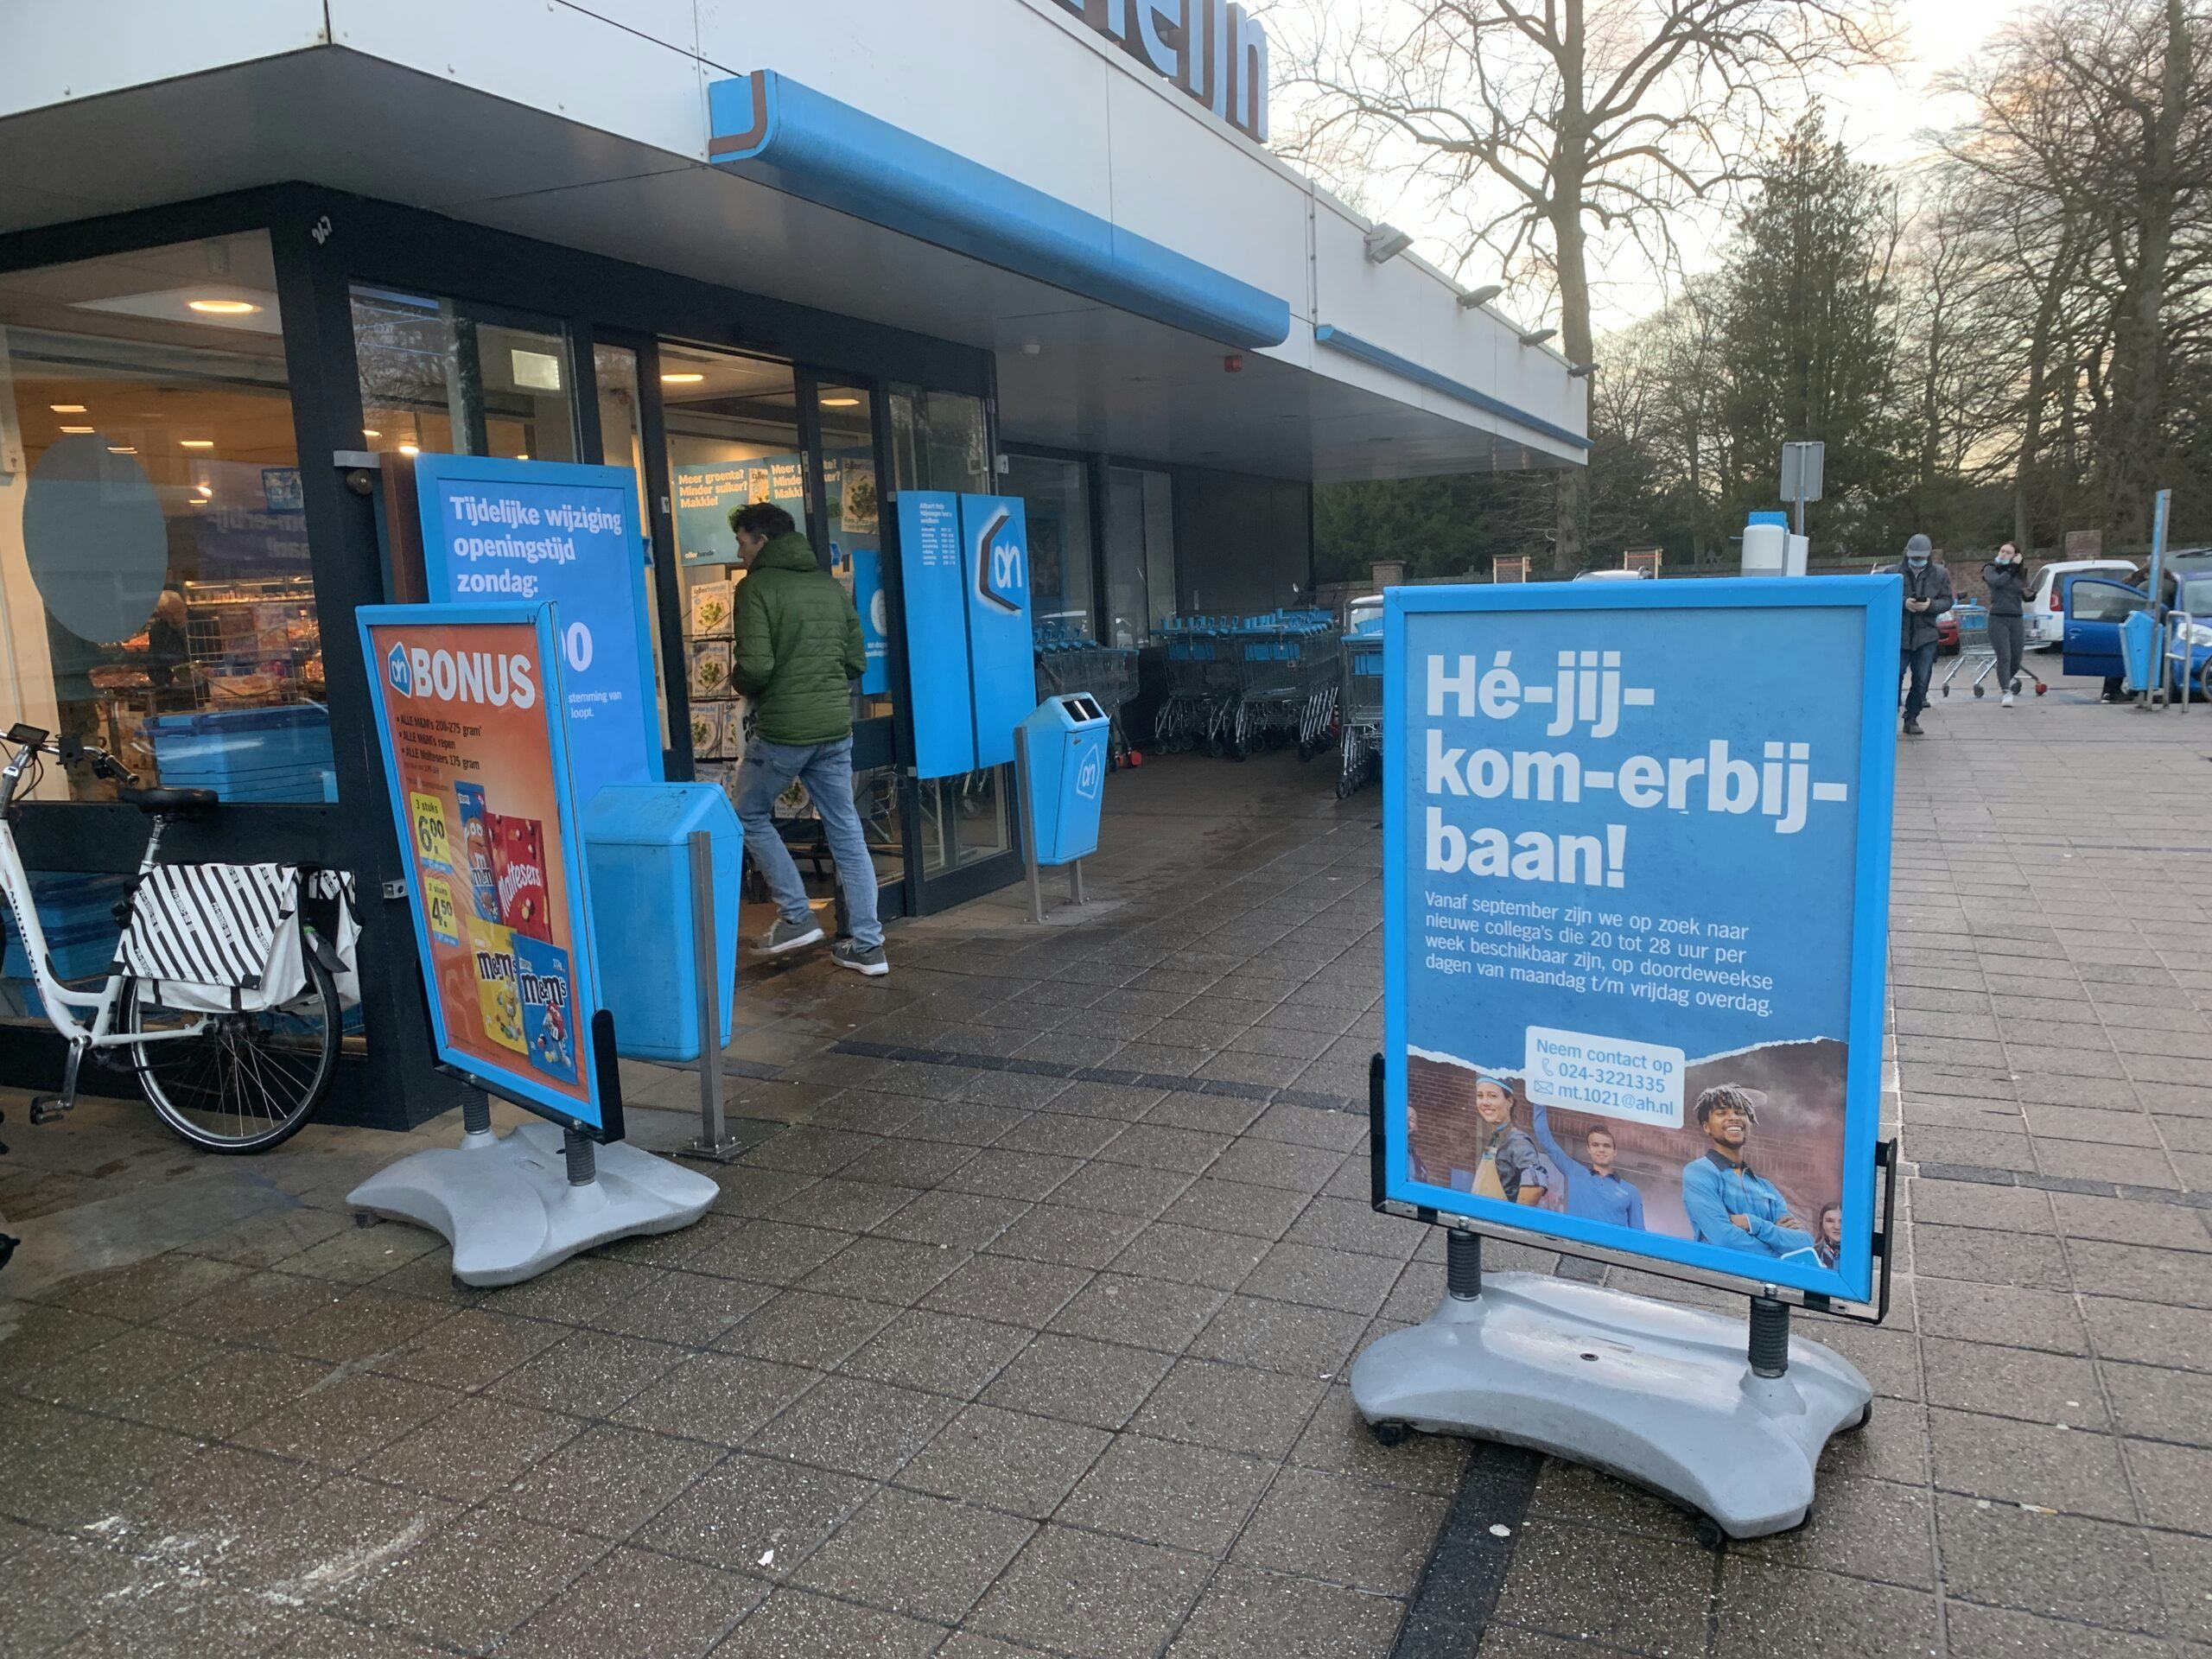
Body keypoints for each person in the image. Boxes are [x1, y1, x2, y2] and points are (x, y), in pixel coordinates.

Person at [727, 503, 887, 976]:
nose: (738, 551)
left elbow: (755, 668)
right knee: (846, 830)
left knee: (749, 813)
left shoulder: (755, 587)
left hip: (784, 731)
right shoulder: (827, 586)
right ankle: (869, 945)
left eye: (742, 541)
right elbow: (857, 662)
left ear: (761, 540)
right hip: (834, 729)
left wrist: (740, 683)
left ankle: (797, 916)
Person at [1679, 1084, 1816, 1259]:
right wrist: (1778, 1248)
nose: (1733, 1118)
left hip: (1768, 1281)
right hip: (1720, 1277)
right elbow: (1723, 1238)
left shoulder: (1767, 1188)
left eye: (1740, 1112)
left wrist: (1754, 1224)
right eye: (1722, 1113)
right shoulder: (1699, 1172)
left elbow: (1804, 1243)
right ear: (1707, 1127)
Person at [1530, 1100, 1646, 1230]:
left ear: (1615, 1151)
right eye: (1595, 1145)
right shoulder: (1575, 1171)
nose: (1601, 1150)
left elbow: (1640, 1236)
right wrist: (1538, 1098)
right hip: (1573, 1247)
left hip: (1608, 1250)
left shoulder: (1631, 1192)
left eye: (1606, 1146)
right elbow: (1546, 1141)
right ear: (1589, 1149)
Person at [1896, 534, 1953, 736]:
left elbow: (1947, 601)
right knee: (1895, 676)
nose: (1917, 560)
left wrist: (1930, 605)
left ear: (1928, 555)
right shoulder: (1893, 573)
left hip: (1926, 635)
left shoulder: (1940, 574)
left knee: (1921, 679)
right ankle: (1890, 714)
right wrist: (1904, 603)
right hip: (1899, 635)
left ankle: (1911, 717)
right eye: (1914, 556)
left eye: (1921, 557)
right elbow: (1883, 597)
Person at [1466, 1076, 1549, 1206]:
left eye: (1493, 1096)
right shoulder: (1495, 1139)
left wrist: (1513, 1221)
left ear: (1509, 1102)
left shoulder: (1517, 1141)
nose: (1485, 1102)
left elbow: (1535, 1185)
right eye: (1480, 1096)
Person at [1982, 544, 2028, 706]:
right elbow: (1997, 582)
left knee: (2016, 659)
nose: (2003, 554)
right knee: (2004, 656)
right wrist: (2011, 568)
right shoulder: (1990, 569)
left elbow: (2023, 592)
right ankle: (2006, 691)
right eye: (2002, 551)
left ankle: (2005, 680)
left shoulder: (2019, 573)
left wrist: (2030, 594)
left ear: (2016, 556)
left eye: (2008, 552)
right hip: (1997, 618)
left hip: (2016, 618)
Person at [1814, 1202, 1843, 1270]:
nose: (1837, 1227)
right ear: (1822, 1223)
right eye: (1830, 1221)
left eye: (1842, 1221)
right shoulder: (1814, 1254)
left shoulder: (1857, 1255)